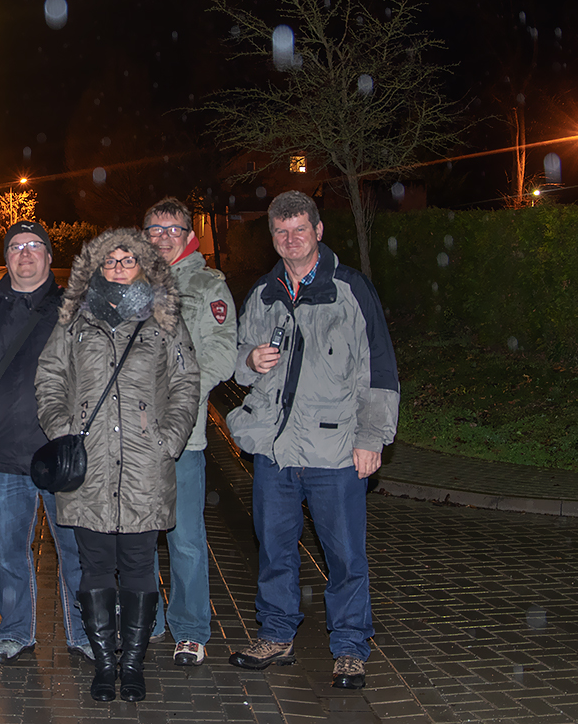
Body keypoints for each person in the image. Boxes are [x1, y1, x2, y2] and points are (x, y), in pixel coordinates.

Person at [226, 191, 400, 691]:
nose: (290, 239)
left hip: (336, 450)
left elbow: (380, 370)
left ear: (319, 231)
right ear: (272, 237)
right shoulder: (263, 292)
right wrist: (248, 362)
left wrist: (373, 437)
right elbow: (236, 356)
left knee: (345, 556)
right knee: (275, 550)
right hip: (276, 453)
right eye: (281, 232)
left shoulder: (351, 289)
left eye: (299, 229)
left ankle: (349, 648)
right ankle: (276, 635)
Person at [36, 229, 199, 702]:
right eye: (110, 261)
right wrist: (63, 429)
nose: (119, 267)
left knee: (140, 567)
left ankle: (133, 663)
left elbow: (186, 382)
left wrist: (167, 440)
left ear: (144, 266)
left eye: (129, 260)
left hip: (144, 468)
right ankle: (104, 664)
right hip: (90, 467)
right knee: (95, 568)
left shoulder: (164, 321)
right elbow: (48, 378)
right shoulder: (74, 320)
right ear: (95, 268)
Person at [0, 220, 92, 664]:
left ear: (50, 257)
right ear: (6, 258)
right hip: (4, 458)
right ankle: (15, 631)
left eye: (34, 247)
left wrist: (80, 432)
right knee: (9, 553)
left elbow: (97, 377)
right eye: (15, 247)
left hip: (62, 458)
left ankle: (84, 633)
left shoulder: (77, 311)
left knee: (76, 553)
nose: (25, 255)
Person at [141, 198, 238, 667]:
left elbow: (221, 355)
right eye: (153, 230)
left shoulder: (206, 284)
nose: (161, 237)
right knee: (139, 538)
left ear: (189, 233)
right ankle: (151, 621)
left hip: (183, 440)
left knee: (183, 538)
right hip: (134, 440)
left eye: (171, 229)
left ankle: (192, 628)